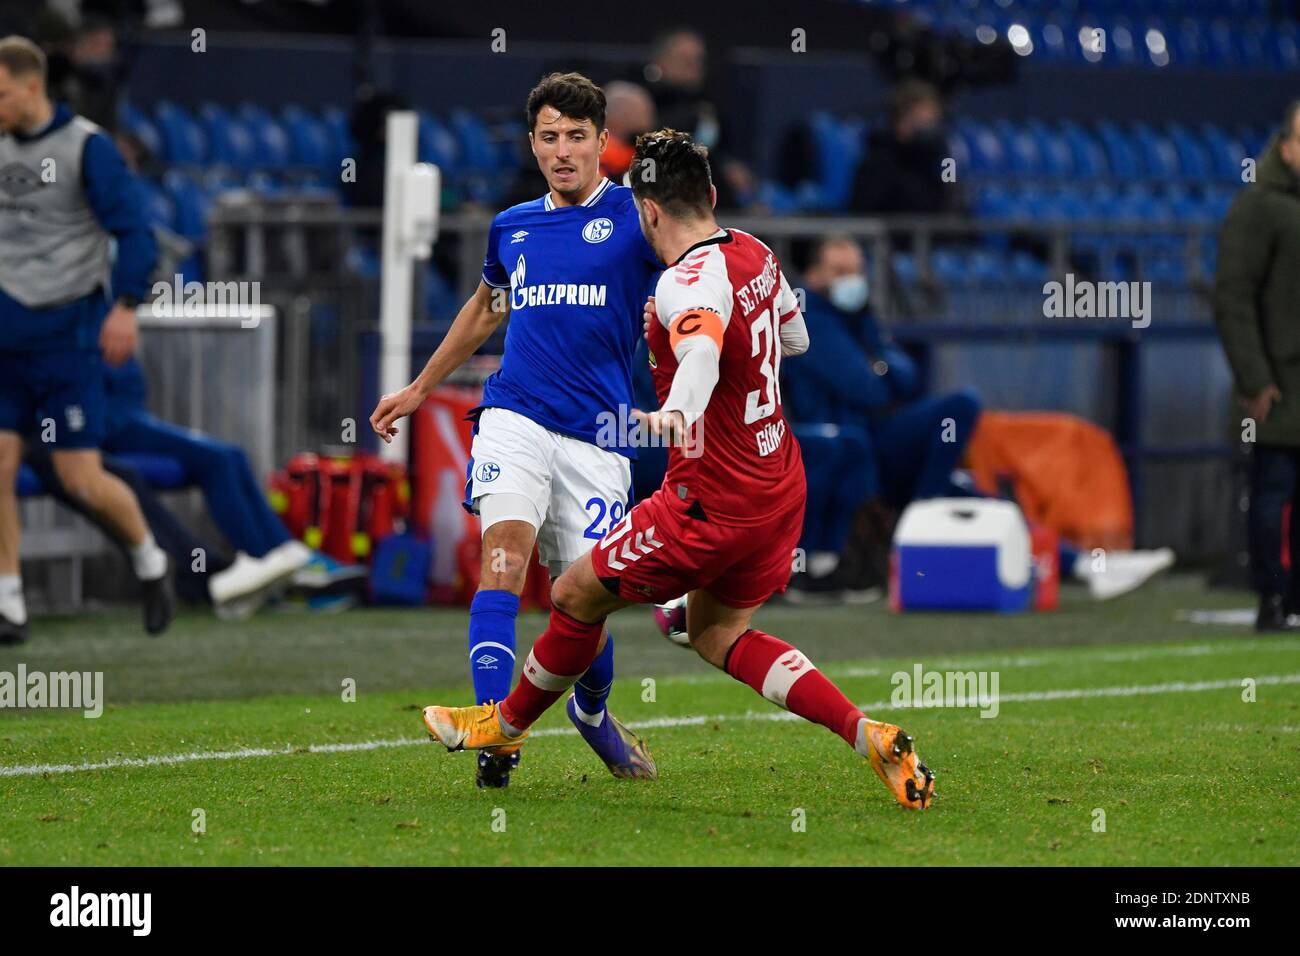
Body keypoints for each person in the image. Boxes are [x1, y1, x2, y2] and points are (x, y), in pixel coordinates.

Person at [418, 130, 936, 811]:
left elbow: (699, 352)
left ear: (648, 211)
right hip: (778, 488)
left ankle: (503, 724)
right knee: (716, 633)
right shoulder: (755, 251)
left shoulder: (683, 282)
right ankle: (862, 729)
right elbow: (795, 337)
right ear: (712, 196)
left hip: (707, 501)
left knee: (574, 595)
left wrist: (679, 408)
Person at [371, 73, 662, 788]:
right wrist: (419, 387)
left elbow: (699, 272)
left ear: (601, 142)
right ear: (533, 143)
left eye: (576, 137)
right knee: (501, 559)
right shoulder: (513, 226)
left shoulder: (638, 218)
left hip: (598, 437)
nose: (562, 151)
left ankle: (592, 713)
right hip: (514, 415)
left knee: (583, 601)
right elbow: (485, 307)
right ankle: (496, 732)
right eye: (548, 137)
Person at [786, 235, 1174, 601]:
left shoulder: (862, 317)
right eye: (839, 271)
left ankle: (1091, 567)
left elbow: (904, 375)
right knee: (960, 405)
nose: (852, 281)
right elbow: (868, 386)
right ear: (813, 275)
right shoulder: (812, 318)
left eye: (857, 270)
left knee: (984, 503)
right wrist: (881, 370)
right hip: (855, 443)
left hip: (880, 443)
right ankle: (924, 508)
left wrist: (880, 368)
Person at [0, 36, 171, 644]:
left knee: (79, 478)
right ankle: (10, 601)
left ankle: (150, 558)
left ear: (30, 85)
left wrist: (125, 305)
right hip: (6, 337)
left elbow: (135, 232)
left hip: (66, 337)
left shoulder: (87, 149)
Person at [1215, 99, 1300, 632]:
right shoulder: (1259, 206)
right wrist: (1255, 378)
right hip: (1280, 384)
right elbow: (1233, 297)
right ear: (1288, 147)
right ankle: (1272, 598)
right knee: (1273, 490)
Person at [848, 79, 961, 217]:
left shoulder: (938, 160)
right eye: (926, 122)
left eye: (935, 122)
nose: (932, 129)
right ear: (902, 122)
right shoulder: (877, 165)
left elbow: (950, 205)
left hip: (934, 236)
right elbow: (864, 216)